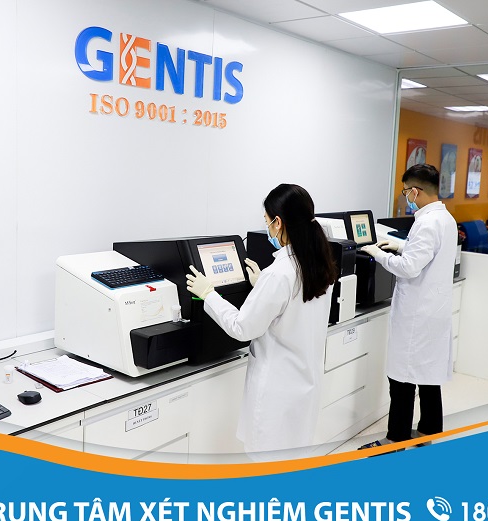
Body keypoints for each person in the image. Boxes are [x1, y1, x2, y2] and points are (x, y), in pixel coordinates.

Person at [185, 184, 338, 461]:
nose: (267, 228)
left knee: (269, 462)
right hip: (305, 385)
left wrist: (209, 294)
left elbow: (242, 327)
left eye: (266, 221)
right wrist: (261, 288)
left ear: (278, 222)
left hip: (277, 392)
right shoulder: (318, 262)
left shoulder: (280, 272)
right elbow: (295, 306)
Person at [358, 163, 458, 450]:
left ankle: (396, 438)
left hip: (417, 314)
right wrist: (400, 246)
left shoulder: (426, 223)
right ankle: (428, 430)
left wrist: (378, 254)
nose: (406, 198)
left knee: (401, 378)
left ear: (415, 191)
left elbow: (409, 268)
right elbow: (428, 253)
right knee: (428, 376)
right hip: (433, 311)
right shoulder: (445, 218)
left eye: (406, 192)